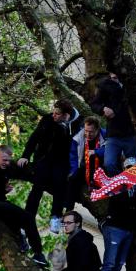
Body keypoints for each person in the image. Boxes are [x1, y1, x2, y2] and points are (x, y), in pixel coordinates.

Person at [0, 144, 47, 266]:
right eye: (4, 160)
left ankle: (31, 248)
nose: (6, 163)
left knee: (25, 218)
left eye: (8, 161)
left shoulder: (6, 170)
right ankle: (37, 252)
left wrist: (4, 190)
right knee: (26, 217)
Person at [17, 98, 81, 234]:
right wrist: (25, 156)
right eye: (53, 113)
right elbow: (34, 138)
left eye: (57, 114)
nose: (53, 116)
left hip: (63, 161)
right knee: (37, 187)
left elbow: (79, 149)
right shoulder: (48, 119)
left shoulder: (77, 126)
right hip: (44, 157)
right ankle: (27, 219)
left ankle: (55, 218)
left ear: (66, 115)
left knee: (60, 185)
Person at [90, 72, 136, 176]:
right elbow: (94, 104)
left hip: (130, 134)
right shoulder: (106, 86)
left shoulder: (132, 84)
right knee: (109, 164)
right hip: (113, 134)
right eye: (113, 78)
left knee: (133, 166)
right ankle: (120, 184)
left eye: (116, 78)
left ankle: (133, 188)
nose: (114, 80)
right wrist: (103, 109)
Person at [65, 115, 107, 210]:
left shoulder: (105, 135)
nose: (88, 134)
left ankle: (93, 184)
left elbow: (110, 149)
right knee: (72, 179)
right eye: (86, 131)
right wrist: (73, 170)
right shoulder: (78, 137)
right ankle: (68, 210)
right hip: (84, 167)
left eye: (91, 132)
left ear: (97, 130)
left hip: (100, 168)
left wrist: (96, 152)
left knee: (92, 156)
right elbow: (73, 156)